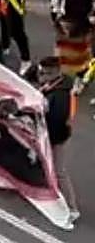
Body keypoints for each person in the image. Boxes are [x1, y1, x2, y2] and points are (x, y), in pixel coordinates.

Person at [36, 56, 80, 228]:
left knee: (59, 170)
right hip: (52, 135)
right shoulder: (57, 85)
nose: (41, 77)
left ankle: (72, 207)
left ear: (54, 73)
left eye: (44, 74)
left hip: (56, 137)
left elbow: (56, 121)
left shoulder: (60, 95)